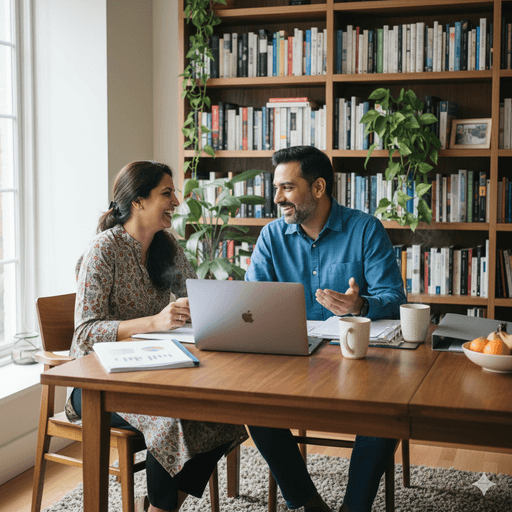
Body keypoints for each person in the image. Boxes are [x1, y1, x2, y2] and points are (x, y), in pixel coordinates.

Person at [65, 161, 248, 512]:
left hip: (153, 370)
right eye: (167, 193)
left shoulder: (167, 246)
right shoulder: (104, 249)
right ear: (138, 201)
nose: (176, 201)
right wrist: (154, 322)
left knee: (220, 411)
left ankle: (159, 507)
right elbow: (85, 335)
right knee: (172, 418)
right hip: (97, 382)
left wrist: (212, 307)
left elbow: (198, 296)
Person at [245, 146, 407, 512]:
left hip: (360, 358)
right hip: (292, 357)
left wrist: (361, 304)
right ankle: (308, 502)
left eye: (287, 187)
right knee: (253, 406)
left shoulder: (365, 229)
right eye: (276, 187)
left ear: (318, 188)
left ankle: (354, 507)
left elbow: (395, 297)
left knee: (385, 410)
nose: (277, 198)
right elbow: (252, 303)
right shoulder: (271, 237)